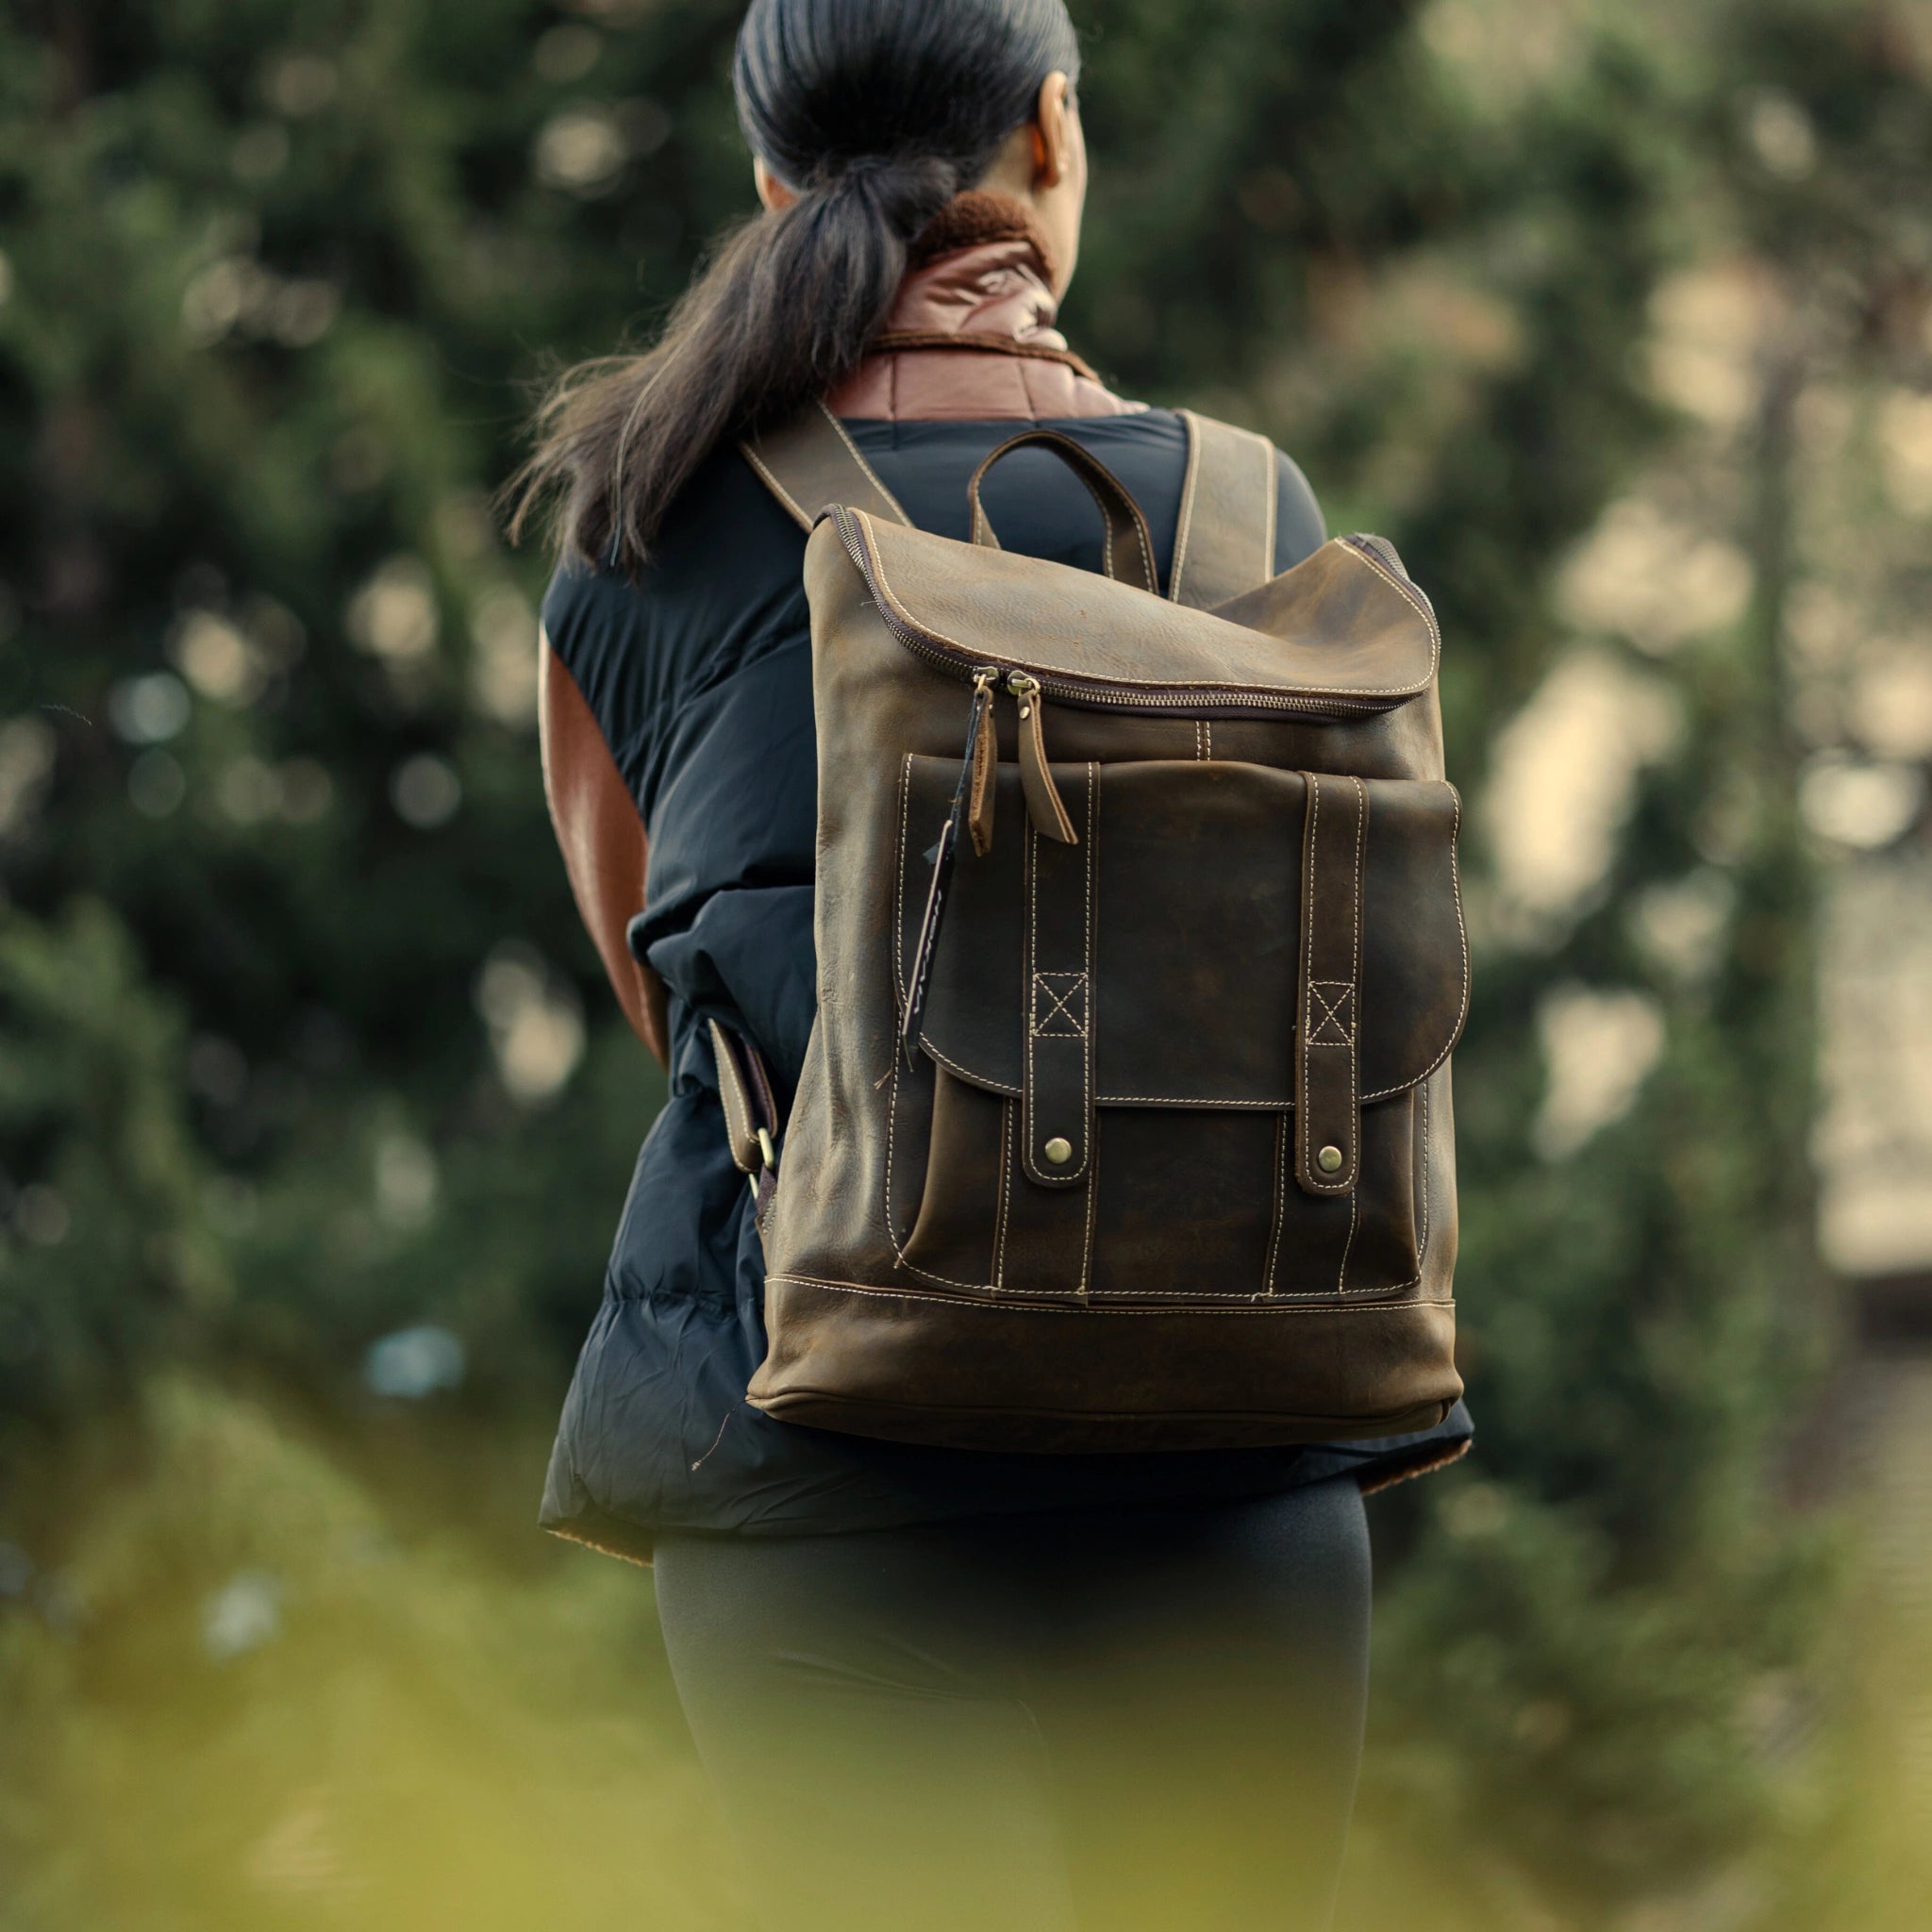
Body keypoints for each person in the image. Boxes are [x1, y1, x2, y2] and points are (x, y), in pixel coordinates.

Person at [512, 3, 1472, 1926]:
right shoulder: (1242, 518)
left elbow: (658, 987)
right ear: (1053, 131)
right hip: (1227, 1450)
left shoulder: (638, 532)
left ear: (777, 181)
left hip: (811, 1458)